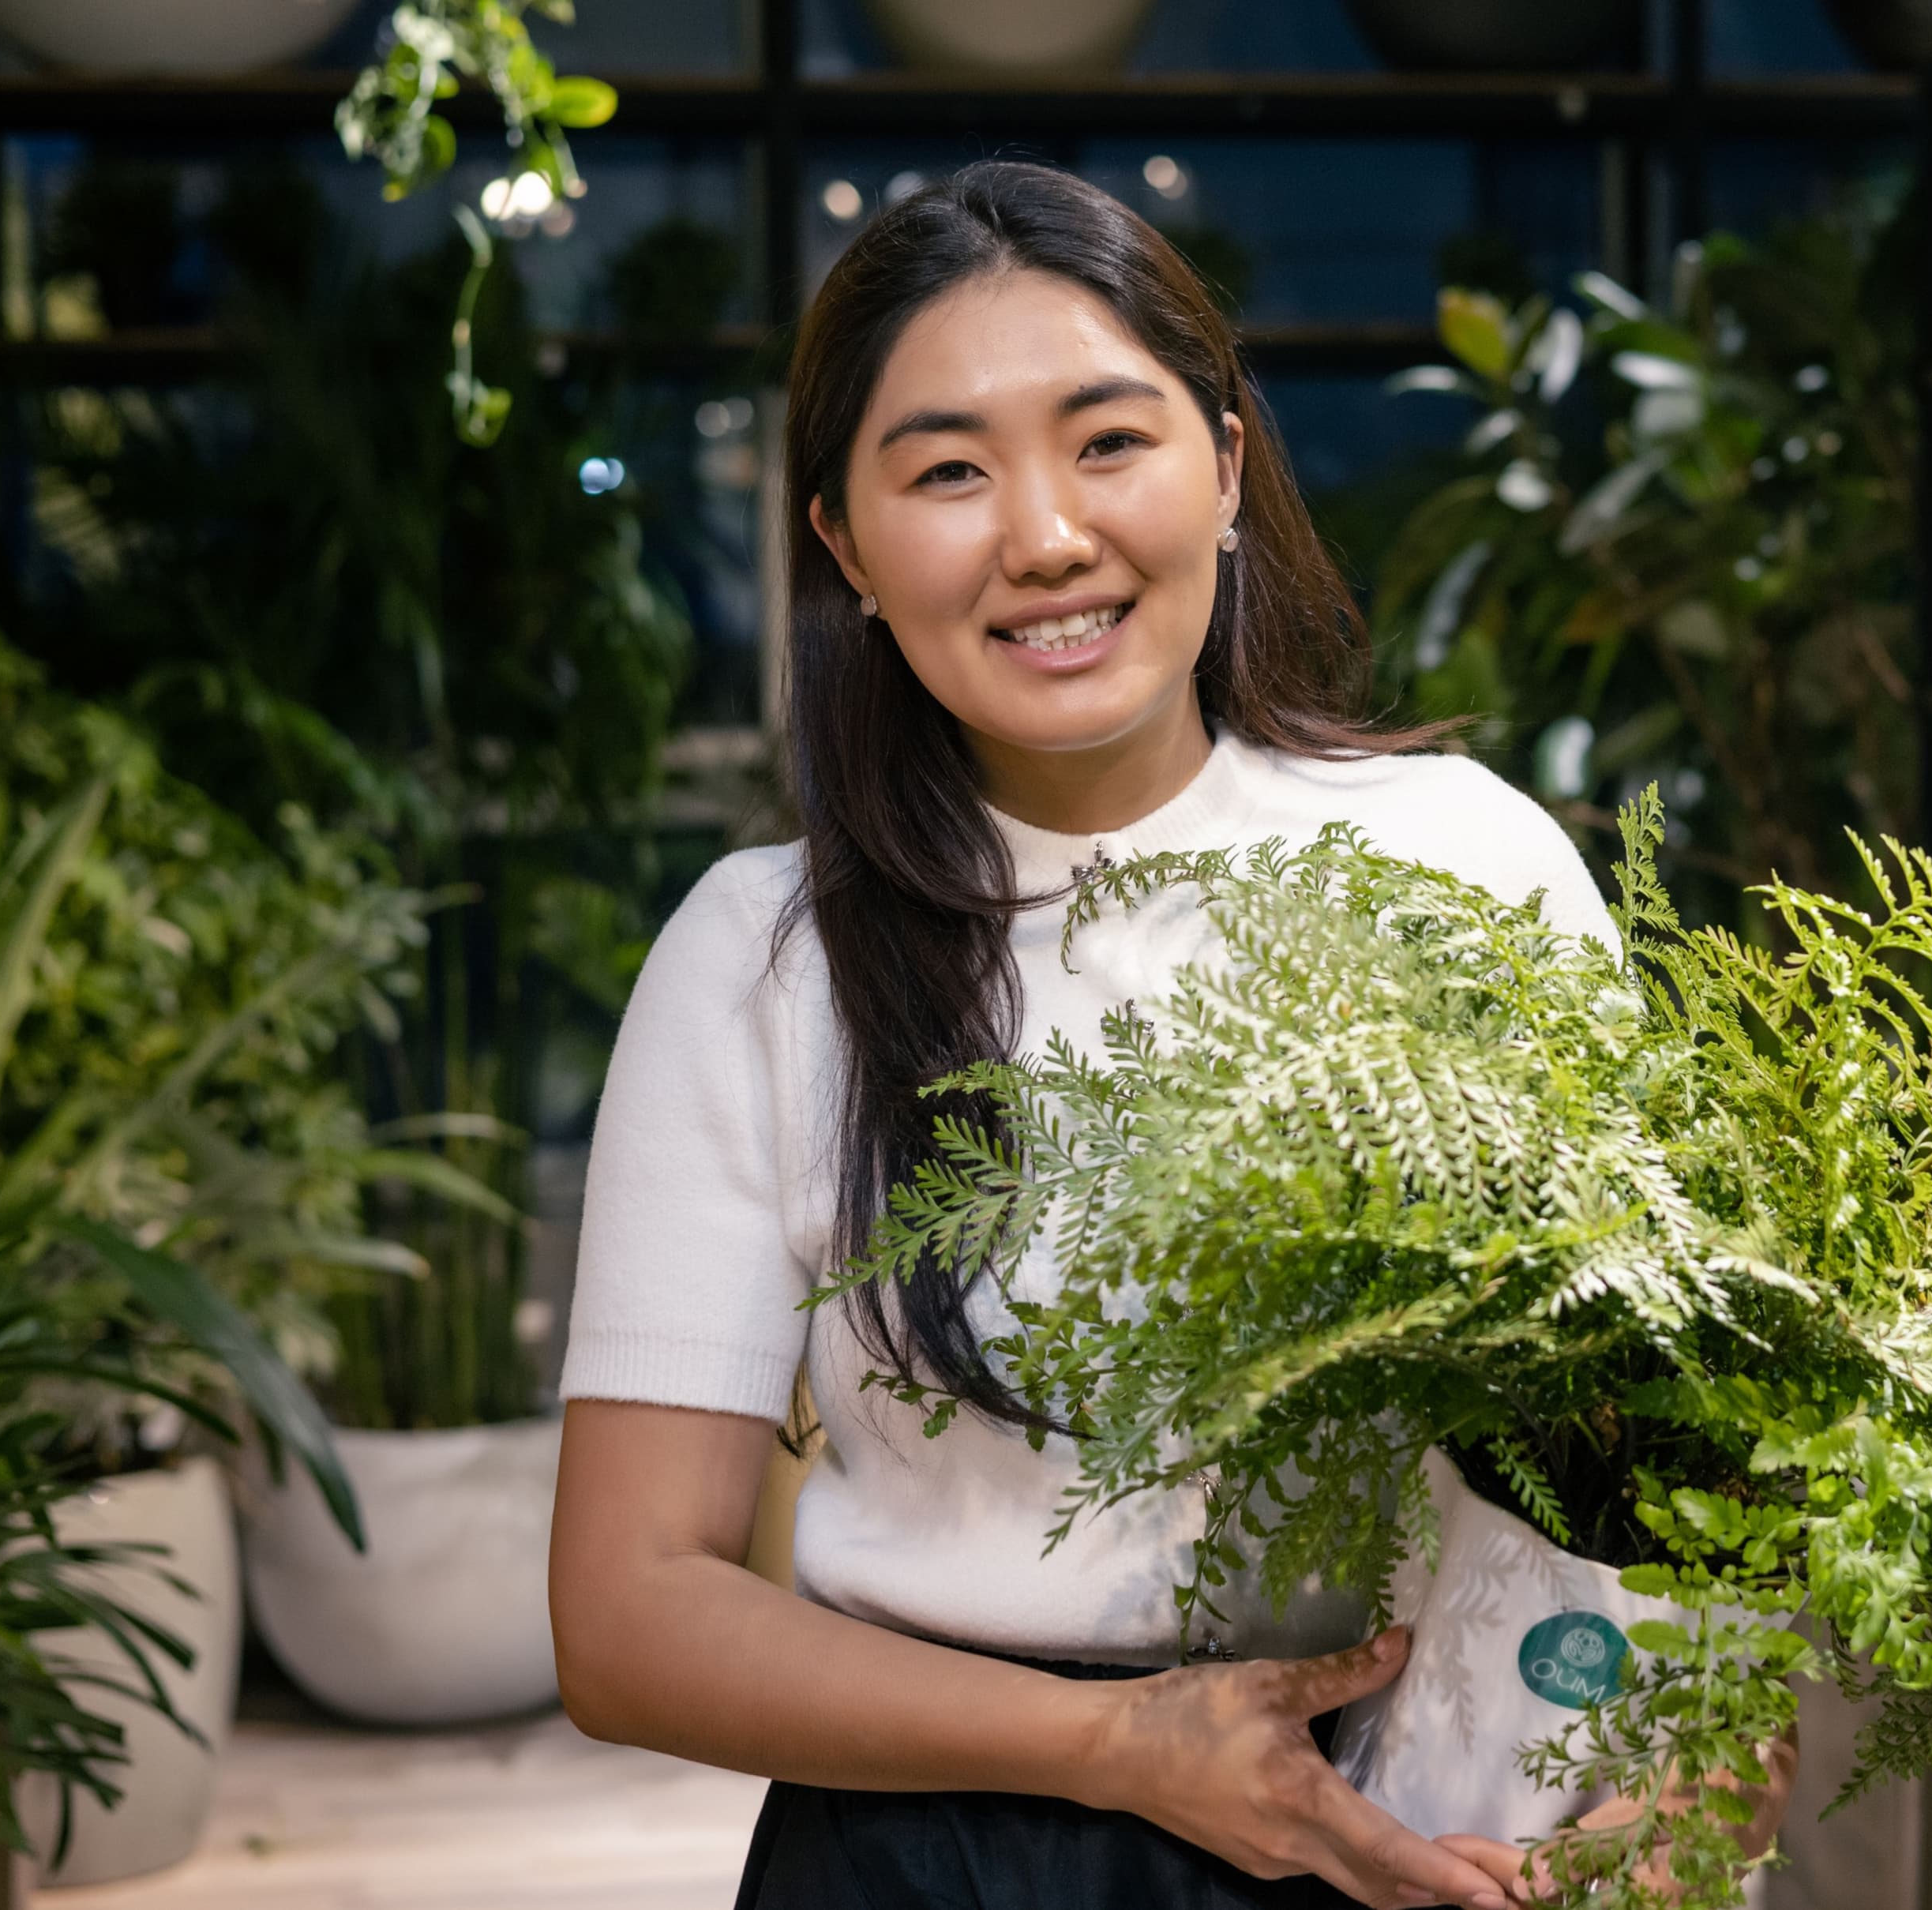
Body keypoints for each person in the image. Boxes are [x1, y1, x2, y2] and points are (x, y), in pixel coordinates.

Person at [546, 160, 1788, 1910]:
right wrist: (1118, 1750)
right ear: (841, 538)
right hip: (945, 1844)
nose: (1046, 534)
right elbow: (627, 1620)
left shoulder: (1462, 860)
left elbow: (1693, 1470)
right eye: (950, 470)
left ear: (1225, 463)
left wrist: (1697, 1782)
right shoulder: (765, 959)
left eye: (1108, 440)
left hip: (1422, 1808)